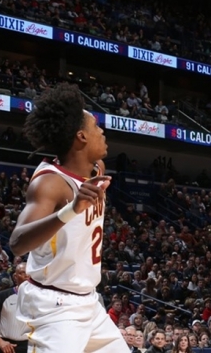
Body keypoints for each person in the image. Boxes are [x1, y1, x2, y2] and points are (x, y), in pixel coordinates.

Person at [9, 83, 127, 352]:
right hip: (55, 307)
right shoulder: (50, 183)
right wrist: (71, 209)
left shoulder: (97, 168)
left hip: (89, 303)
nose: (102, 131)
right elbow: (17, 242)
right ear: (81, 137)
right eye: (96, 126)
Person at [0, 262, 30, 353]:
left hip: (29, 346)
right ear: (15, 276)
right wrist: (0, 342)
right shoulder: (2, 296)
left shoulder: (40, 298)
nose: (27, 276)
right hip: (5, 345)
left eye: (29, 273)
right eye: (23, 273)